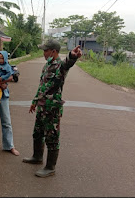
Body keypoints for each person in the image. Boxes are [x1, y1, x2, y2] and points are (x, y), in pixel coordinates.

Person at [23, 39, 82, 178]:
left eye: (45, 50)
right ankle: (37, 156)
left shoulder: (59, 66)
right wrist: (34, 101)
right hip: (42, 106)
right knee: (37, 133)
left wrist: (72, 56)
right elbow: (42, 86)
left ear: (53, 52)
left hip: (52, 109)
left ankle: (50, 167)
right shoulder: (46, 66)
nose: (43, 53)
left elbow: (67, 63)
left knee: (52, 137)